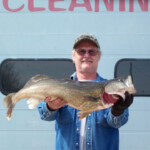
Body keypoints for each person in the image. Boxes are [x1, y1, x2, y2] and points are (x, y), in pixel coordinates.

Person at [37, 33, 133, 150]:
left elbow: (117, 123)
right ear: (73, 56)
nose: (86, 55)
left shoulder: (111, 90)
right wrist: (51, 107)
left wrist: (118, 110)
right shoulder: (61, 86)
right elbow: (45, 115)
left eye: (92, 51)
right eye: (81, 51)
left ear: (98, 56)